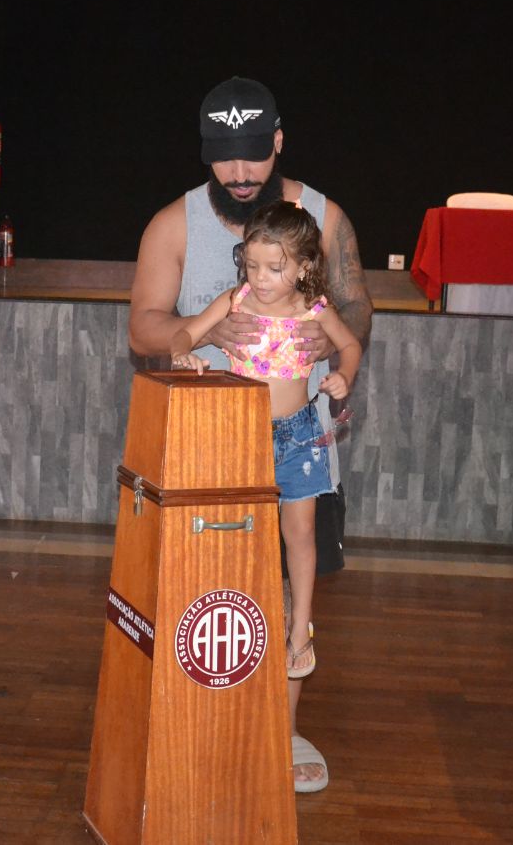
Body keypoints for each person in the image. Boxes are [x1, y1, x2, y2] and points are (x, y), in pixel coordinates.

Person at [128, 76, 372, 794]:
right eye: (223, 157)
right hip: (210, 443)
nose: (238, 173)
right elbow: (143, 327)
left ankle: (284, 730)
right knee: (206, 591)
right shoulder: (172, 224)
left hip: (298, 436)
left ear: (278, 142)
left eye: (253, 155)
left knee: (292, 588)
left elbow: (355, 313)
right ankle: (203, 725)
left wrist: (329, 350)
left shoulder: (324, 217)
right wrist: (199, 330)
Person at [170, 201, 362, 683]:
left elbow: (350, 344)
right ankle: (240, 614)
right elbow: (182, 336)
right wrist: (185, 356)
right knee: (239, 533)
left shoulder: (315, 309)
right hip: (242, 436)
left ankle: (299, 630)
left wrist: (344, 375)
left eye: (274, 269)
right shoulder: (235, 301)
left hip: (300, 436)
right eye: (251, 265)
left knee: (300, 535)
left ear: (304, 268)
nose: (260, 278)